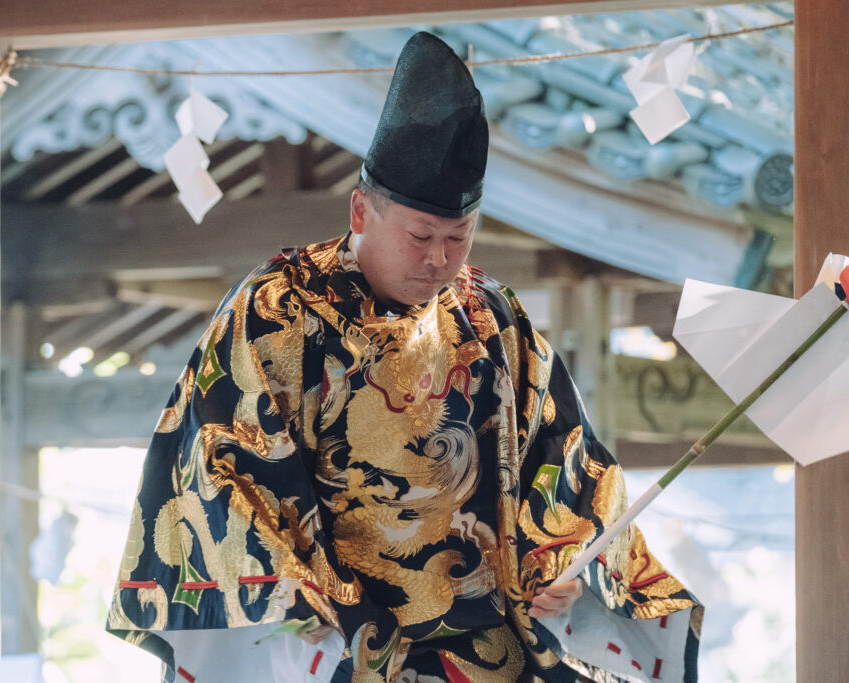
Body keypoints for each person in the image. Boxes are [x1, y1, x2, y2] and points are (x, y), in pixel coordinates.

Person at [108, 31, 702, 682]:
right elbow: (226, 478)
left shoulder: (492, 318)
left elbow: (564, 466)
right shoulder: (277, 313)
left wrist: (567, 566)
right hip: (342, 646)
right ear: (361, 209)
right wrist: (332, 612)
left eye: (458, 237)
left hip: (488, 648)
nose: (440, 259)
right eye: (421, 235)